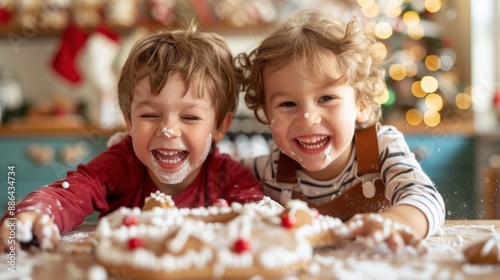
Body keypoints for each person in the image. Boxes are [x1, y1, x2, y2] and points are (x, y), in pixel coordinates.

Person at [0, 22, 264, 251]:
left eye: (190, 117)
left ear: (220, 125)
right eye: (150, 115)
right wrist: (33, 215)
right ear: (128, 120)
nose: (168, 130)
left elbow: (266, 221)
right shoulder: (121, 164)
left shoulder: (229, 178)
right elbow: (68, 195)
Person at [237, 10, 445, 251]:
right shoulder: (270, 170)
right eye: (287, 104)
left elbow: (426, 198)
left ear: (362, 104)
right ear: (266, 114)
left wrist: (396, 222)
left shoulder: (381, 148)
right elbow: (214, 176)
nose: (307, 119)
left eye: (326, 98)